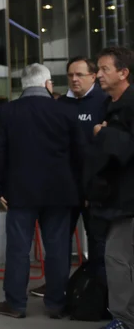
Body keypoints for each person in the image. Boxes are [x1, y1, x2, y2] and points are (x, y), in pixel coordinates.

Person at [0, 63, 84, 319]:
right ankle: (55, 303)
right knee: (57, 248)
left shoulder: (7, 112)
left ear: (23, 85)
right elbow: (79, 153)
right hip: (60, 192)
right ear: (47, 84)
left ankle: (16, 304)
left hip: (20, 192)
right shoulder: (65, 111)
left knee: (18, 249)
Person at [30, 56, 108, 298]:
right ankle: (58, 289)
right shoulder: (60, 104)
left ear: (93, 77)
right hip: (65, 187)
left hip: (96, 188)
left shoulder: (105, 102)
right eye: (70, 75)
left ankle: (95, 293)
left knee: (98, 243)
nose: (74, 79)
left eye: (80, 75)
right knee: (58, 243)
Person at [85, 46, 134, 329]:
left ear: (123, 72)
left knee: (117, 259)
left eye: (104, 69)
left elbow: (126, 148)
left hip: (126, 202)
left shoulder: (128, 105)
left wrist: (104, 134)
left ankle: (124, 321)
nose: (98, 75)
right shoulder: (108, 104)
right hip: (115, 200)